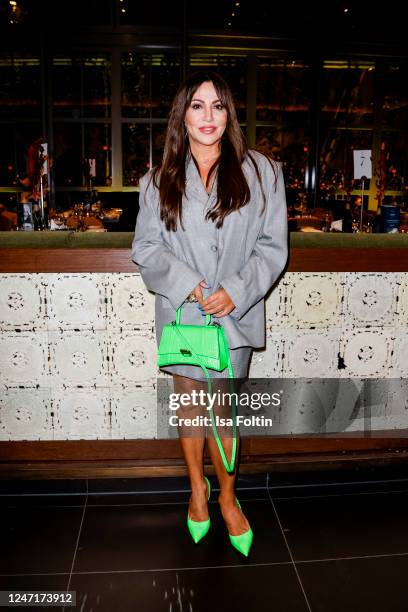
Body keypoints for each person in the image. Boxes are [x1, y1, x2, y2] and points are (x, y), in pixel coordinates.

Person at [131, 71, 288, 557]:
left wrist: (236, 292)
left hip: (234, 318)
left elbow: (272, 247)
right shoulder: (158, 181)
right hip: (183, 315)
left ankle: (227, 495)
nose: (207, 116)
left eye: (217, 106)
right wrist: (189, 285)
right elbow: (147, 248)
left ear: (229, 115)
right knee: (189, 406)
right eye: (197, 106)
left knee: (223, 408)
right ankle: (196, 490)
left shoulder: (263, 173)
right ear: (182, 115)